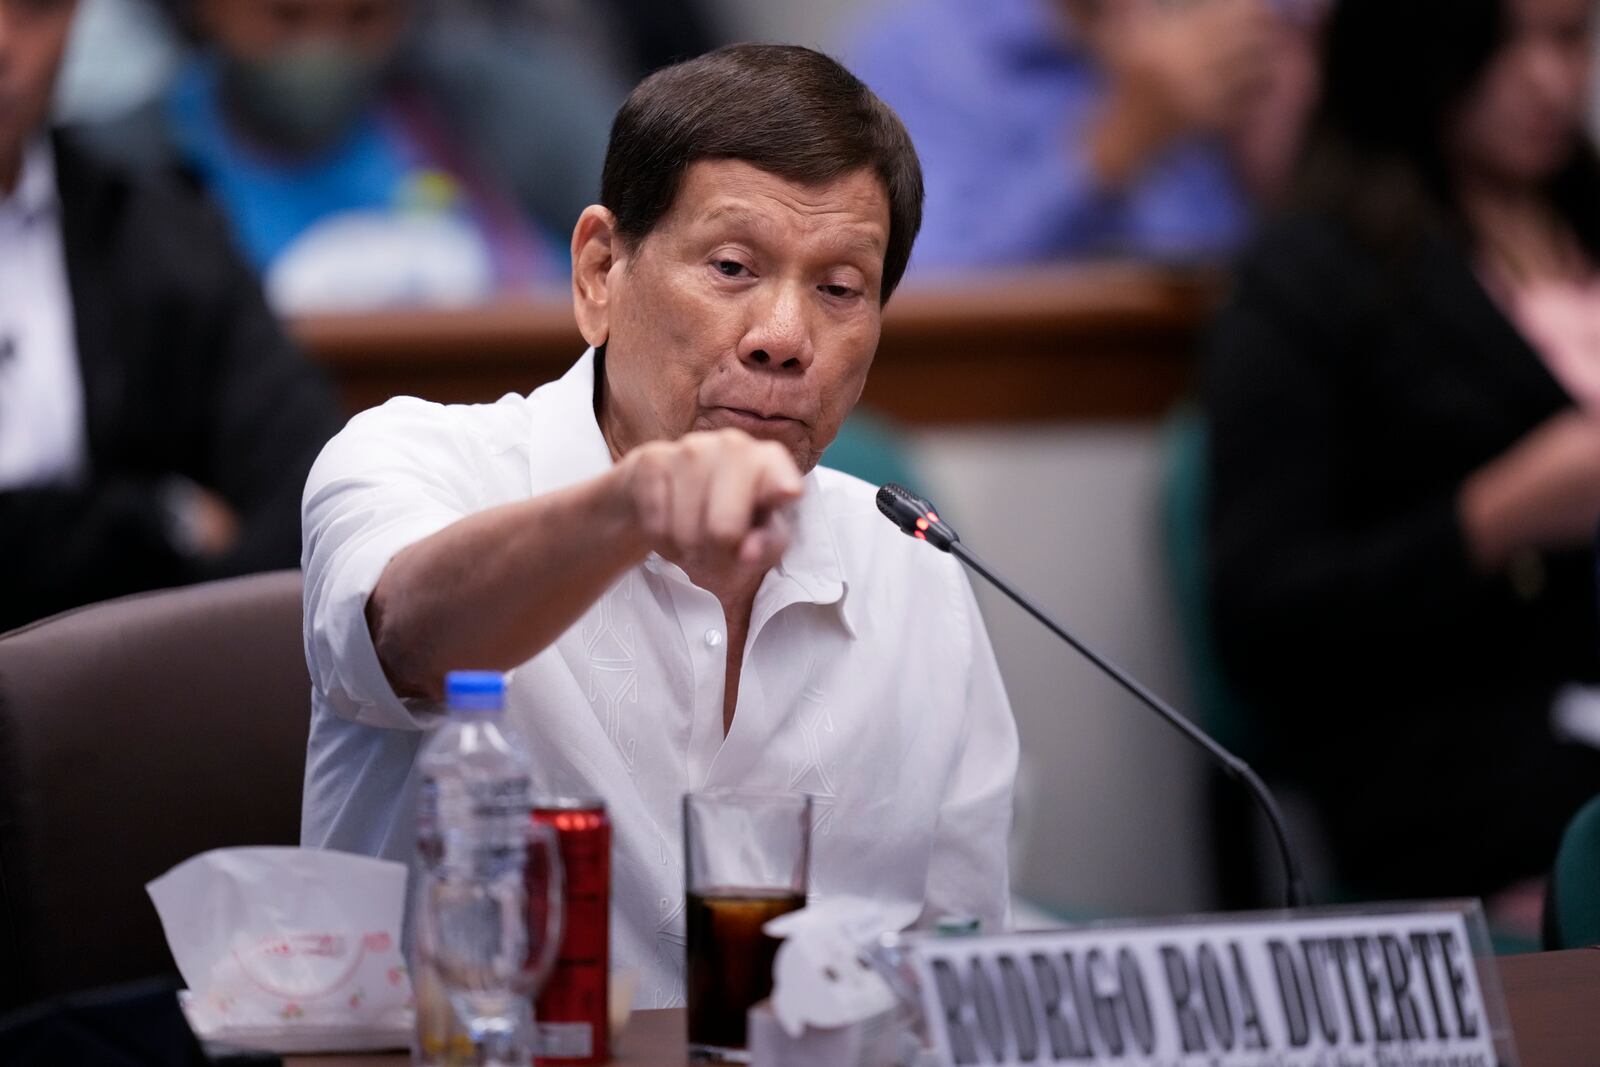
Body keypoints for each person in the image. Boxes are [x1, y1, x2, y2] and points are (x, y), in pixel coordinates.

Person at [301, 43, 1019, 1007]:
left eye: (839, 289)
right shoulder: (414, 460)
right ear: (601, 270)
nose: (782, 336)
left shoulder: (914, 568)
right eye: (732, 267)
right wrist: (633, 505)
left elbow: (959, 982)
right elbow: (405, 636)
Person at [1205, 0, 1600, 907]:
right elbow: (1262, 612)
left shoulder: (1585, 215)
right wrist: (1496, 517)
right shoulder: (1312, 276)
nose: (1550, 80)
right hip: (1460, 770)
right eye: (1503, 43)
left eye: (1572, 37)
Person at [0, 0, 341, 634]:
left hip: (109, 707)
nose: (2, 41)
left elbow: (309, 485)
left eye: (35, 7)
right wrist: (152, 524)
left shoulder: (155, 232)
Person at [90, 0, 623, 311]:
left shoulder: (502, 108)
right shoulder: (119, 169)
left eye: (362, 18)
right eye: (287, 16)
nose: (323, 48)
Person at [851, 0, 1323, 272]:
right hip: (1014, 419)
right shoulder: (921, 53)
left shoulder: (1232, 29)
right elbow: (915, 282)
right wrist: (1114, 147)